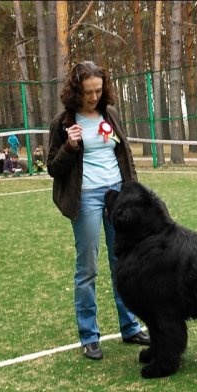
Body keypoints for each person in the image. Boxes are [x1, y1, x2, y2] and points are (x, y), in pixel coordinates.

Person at [47, 61, 149, 360]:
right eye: (88, 92)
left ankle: (130, 326)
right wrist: (69, 146)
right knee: (87, 268)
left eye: (98, 90)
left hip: (118, 195)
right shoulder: (63, 121)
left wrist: (133, 192)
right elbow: (53, 167)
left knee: (125, 263)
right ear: (76, 90)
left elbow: (124, 154)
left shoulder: (111, 115)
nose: (94, 97)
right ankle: (89, 335)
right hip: (87, 198)